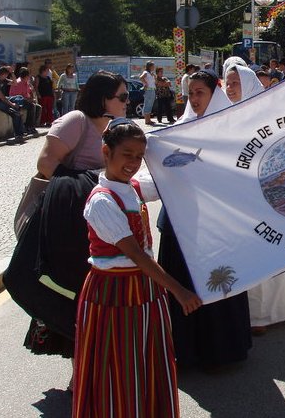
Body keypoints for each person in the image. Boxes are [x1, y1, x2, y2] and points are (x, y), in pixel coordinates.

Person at [74, 118, 201, 417]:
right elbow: (138, 256)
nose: (132, 163)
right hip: (114, 291)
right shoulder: (102, 202)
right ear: (106, 152)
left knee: (145, 360)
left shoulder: (130, 187)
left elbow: (165, 175)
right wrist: (179, 291)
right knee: (118, 363)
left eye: (138, 156)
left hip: (144, 289)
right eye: (126, 154)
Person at [23, 71, 130, 381]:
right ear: (102, 98)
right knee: (71, 289)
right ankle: (79, 376)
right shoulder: (76, 120)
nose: (127, 102)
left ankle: (85, 370)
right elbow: (46, 163)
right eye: (121, 97)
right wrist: (85, 181)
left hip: (89, 221)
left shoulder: (108, 127)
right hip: (65, 219)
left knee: (87, 293)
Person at [157, 69, 253, 370]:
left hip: (217, 222)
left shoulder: (231, 128)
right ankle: (185, 350)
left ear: (215, 93)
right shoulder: (180, 128)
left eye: (200, 93)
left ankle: (222, 350)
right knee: (183, 282)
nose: (194, 99)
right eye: (191, 94)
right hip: (180, 219)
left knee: (219, 283)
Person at [225, 63, 285, 335]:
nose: (230, 88)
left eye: (235, 83)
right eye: (227, 82)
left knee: (266, 251)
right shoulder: (222, 114)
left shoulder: (263, 113)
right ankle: (251, 312)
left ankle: (265, 315)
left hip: (264, 193)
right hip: (237, 195)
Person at [0, 66, 25, 143]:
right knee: (15, 113)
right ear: (3, 74)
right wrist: (12, 104)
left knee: (19, 98)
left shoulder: (3, 79)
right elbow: (2, 98)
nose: (7, 76)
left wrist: (12, 72)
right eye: (7, 75)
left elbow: (15, 83)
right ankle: (18, 135)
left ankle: (20, 133)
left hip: (1, 99)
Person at [9, 67, 41, 134]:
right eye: (28, 76)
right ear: (26, 76)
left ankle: (32, 126)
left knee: (38, 107)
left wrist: (32, 98)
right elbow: (19, 97)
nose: (29, 77)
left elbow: (29, 91)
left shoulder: (26, 82)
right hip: (17, 101)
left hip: (25, 100)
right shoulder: (19, 83)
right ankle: (28, 126)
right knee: (32, 106)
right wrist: (30, 100)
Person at [139, 61, 156, 126]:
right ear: (150, 66)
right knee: (147, 104)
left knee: (150, 104)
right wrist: (145, 83)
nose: (154, 67)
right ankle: (147, 120)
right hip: (149, 90)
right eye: (153, 66)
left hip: (152, 90)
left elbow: (154, 82)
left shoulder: (150, 73)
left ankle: (149, 119)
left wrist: (154, 76)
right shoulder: (145, 72)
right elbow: (141, 77)